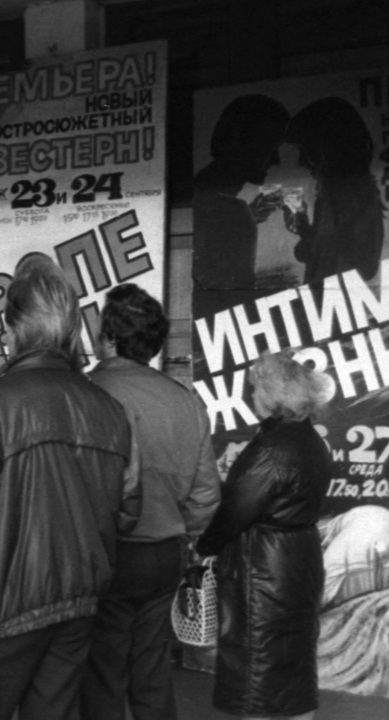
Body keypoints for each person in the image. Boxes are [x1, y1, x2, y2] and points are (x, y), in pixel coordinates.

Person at [0, 254, 139, 720]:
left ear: (18, 330)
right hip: (79, 606)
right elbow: (128, 510)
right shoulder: (110, 409)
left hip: (2, 608)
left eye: (5, 326)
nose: (2, 336)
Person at [81, 284, 222, 720]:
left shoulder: (86, 393)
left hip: (106, 555)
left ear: (109, 337)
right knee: (151, 668)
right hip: (165, 554)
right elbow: (205, 496)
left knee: (102, 671)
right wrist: (185, 531)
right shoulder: (185, 401)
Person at [196, 350, 334, 720]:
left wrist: (203, 548)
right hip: (300, 559)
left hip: (264, 567)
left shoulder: (271, 448)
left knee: (257, 669)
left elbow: (237, 508)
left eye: (256, 387)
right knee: (294, 661)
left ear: (271, 395)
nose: (251, 395)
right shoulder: (311, 439)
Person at [192, 95, 291, 317]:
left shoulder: (208, 196)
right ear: (246, 143)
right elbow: (234, 299)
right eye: (271, 146)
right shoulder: (230, 210)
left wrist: (249, 217)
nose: (276, 160)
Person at [282, 96, 386, 286]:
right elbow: (321, 256)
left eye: (308, 151)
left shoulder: (357, 198)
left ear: (333, 150)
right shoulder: (332, 196)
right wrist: (303, 226)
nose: (301, 162)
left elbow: (365, 268)